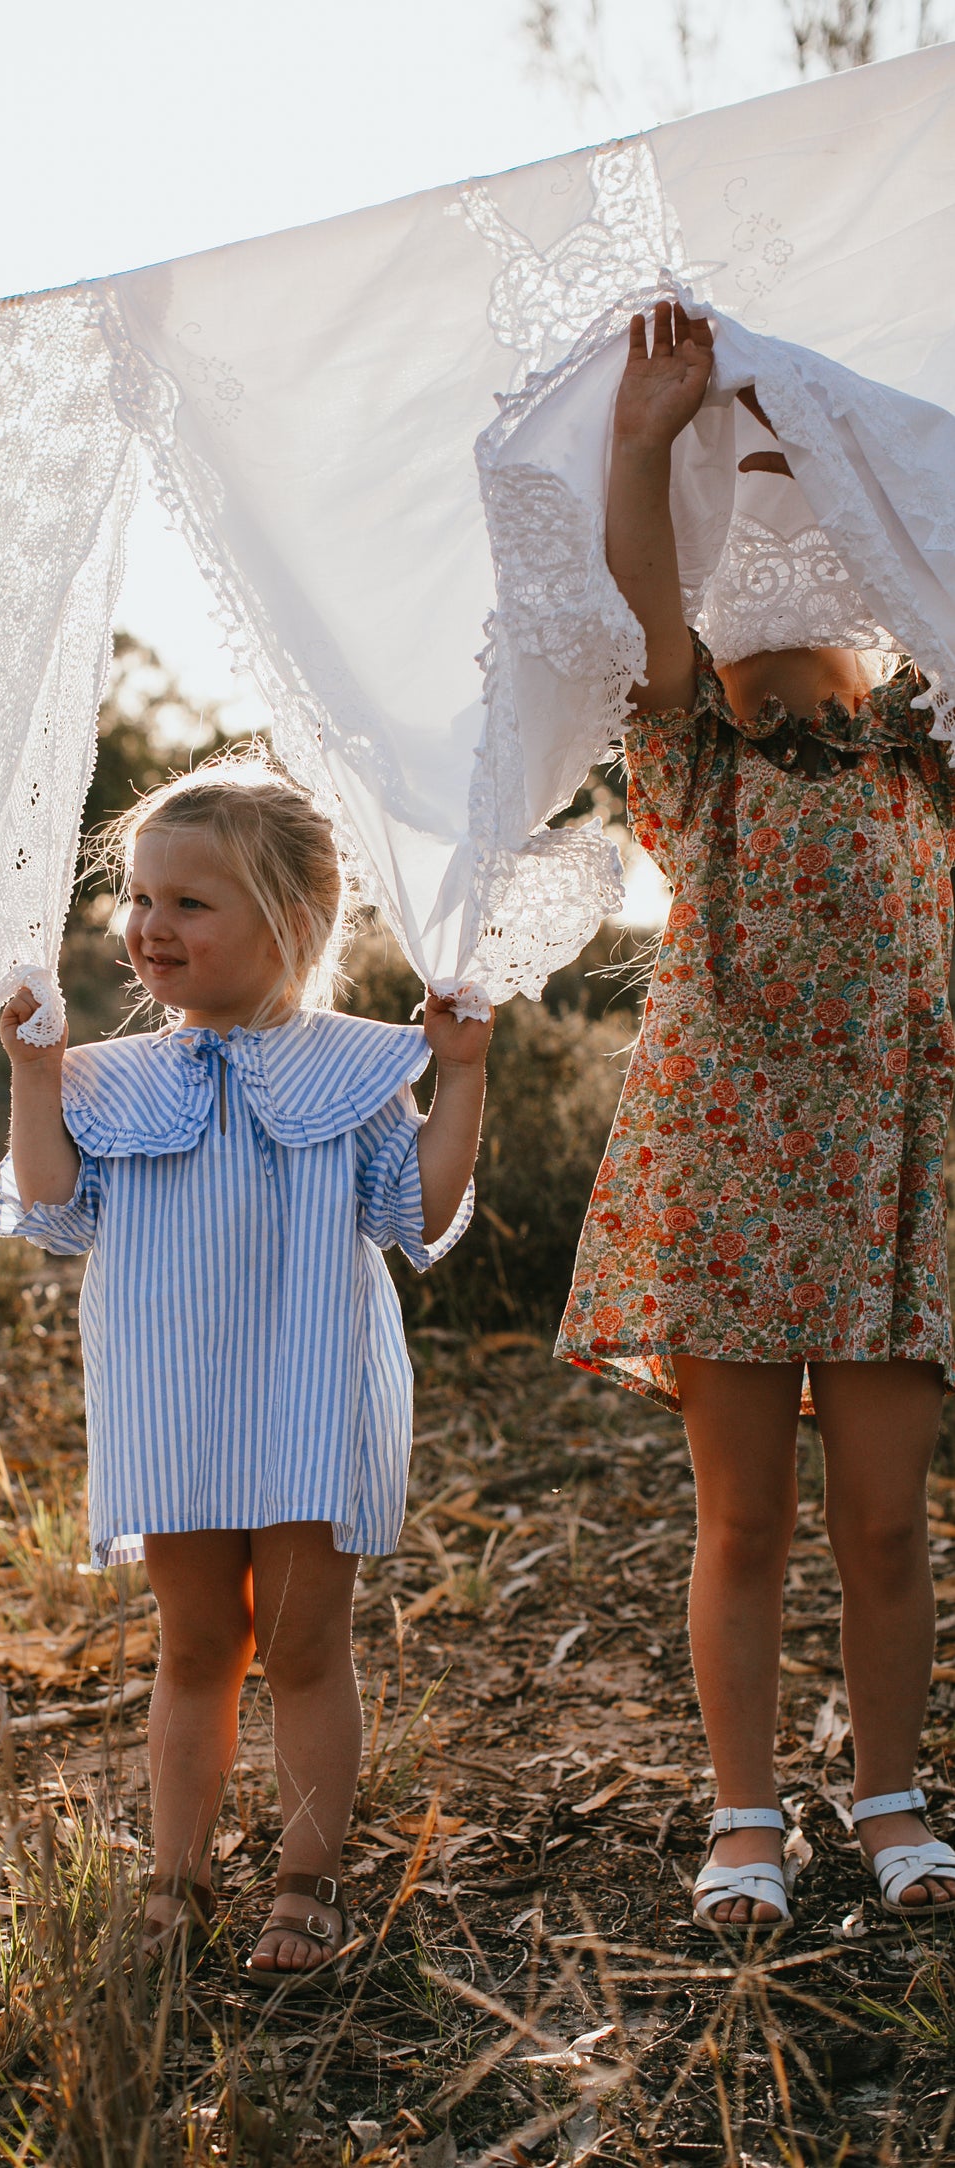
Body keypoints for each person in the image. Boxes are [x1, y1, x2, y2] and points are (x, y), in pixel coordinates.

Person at [557, 300, 955, 1930]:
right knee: (745, 1515)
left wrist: (851, 418)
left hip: (887, 1179)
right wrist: (651, 436)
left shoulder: (930, 768)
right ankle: (746, 1815)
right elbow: (643, 589)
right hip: (721, 1170)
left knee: (882, 1514)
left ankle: (893, 1795)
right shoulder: (694, 755)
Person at [0, 752, 490, 1983]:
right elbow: (52, 1207)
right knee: (196, 1640)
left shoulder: (352, 1069)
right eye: (141, 898)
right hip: (172, 1396)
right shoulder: (110, 1082)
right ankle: (176, 1873)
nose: (150, 926)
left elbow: (412, 1211)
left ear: (293, 922)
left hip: (313, 1389)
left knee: (307, 1644)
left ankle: (306, 1877)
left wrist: (462, 1078)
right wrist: (30, 1078)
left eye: (188, 902)